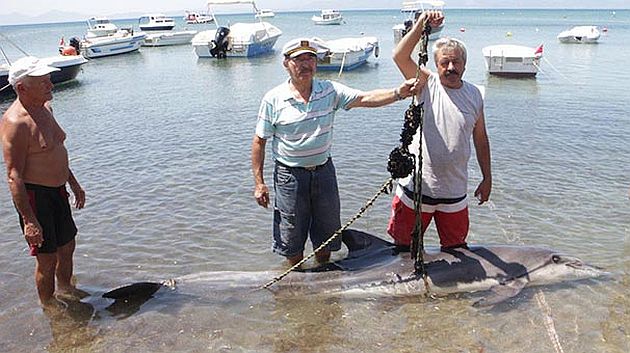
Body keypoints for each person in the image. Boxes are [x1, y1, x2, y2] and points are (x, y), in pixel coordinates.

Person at [252, 38, 420, 266]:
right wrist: (259, 183)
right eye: (298, 59)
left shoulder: (329, 90)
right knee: (291, 241)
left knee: (327, 238)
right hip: (289, 177)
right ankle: (294, 288)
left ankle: (323, 282)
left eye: (310, 58)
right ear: (286, 63)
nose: (305, 64)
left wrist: (398, 93)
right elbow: (259, 141)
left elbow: (365, 98)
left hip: (324, 172)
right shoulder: (273, 98)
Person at [387, 11, 492, 250]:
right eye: (444, 62)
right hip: (416, 189)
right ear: (436, 65)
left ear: (465, 64)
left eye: (456, 62)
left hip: (454, 192)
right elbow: (399, 56)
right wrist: (421, 24)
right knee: (402, 252)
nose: (451, 67)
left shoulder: (475, 94)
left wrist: (487, 178)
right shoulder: (426, 83)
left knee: (457, 254)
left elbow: (481, 140)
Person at [0, 56, 87, 307]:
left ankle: (68, 290)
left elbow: (55, 149)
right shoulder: (15, 123)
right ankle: (50, 308)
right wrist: (29, 220)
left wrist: (73, 183)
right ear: (22, 88)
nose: (50, 85)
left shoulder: (46, 108)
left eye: (49, 80)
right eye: (44, 82)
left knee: (68, 245)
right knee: (47, 259)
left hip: (58, 190)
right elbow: (13, 175)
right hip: (36, 197)